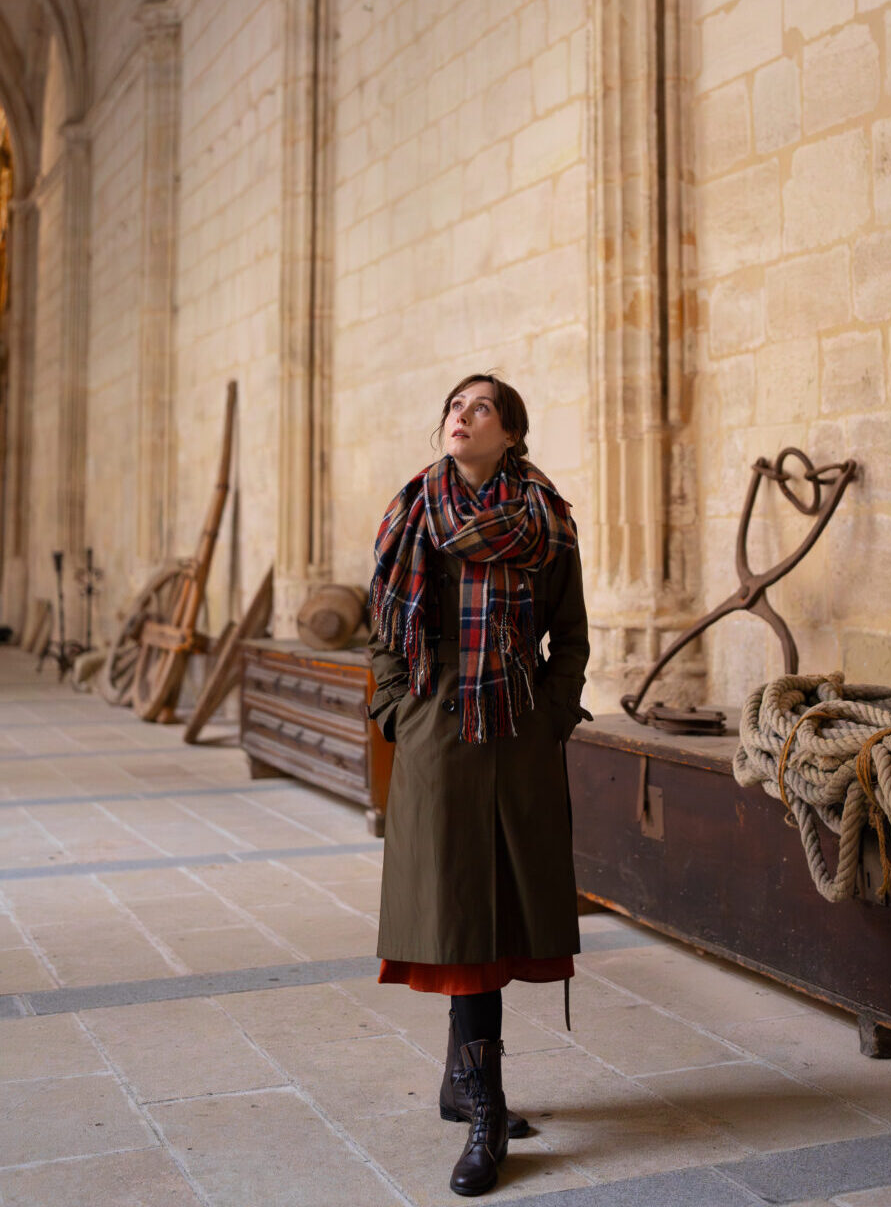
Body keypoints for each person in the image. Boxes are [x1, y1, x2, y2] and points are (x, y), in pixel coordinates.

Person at [366, 373, 590, 1197]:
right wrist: (398, 711)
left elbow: (569, 634)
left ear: (511, 432)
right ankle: (485, 1107)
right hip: (436, 731)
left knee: (500, 909)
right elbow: (383, 627)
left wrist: (552, 716)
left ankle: (463, 1088)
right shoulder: (410, 511)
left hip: (517, 730)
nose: (462, 416)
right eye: (455, 406)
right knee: (459, 916)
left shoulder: (547, 519)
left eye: (481, 407)